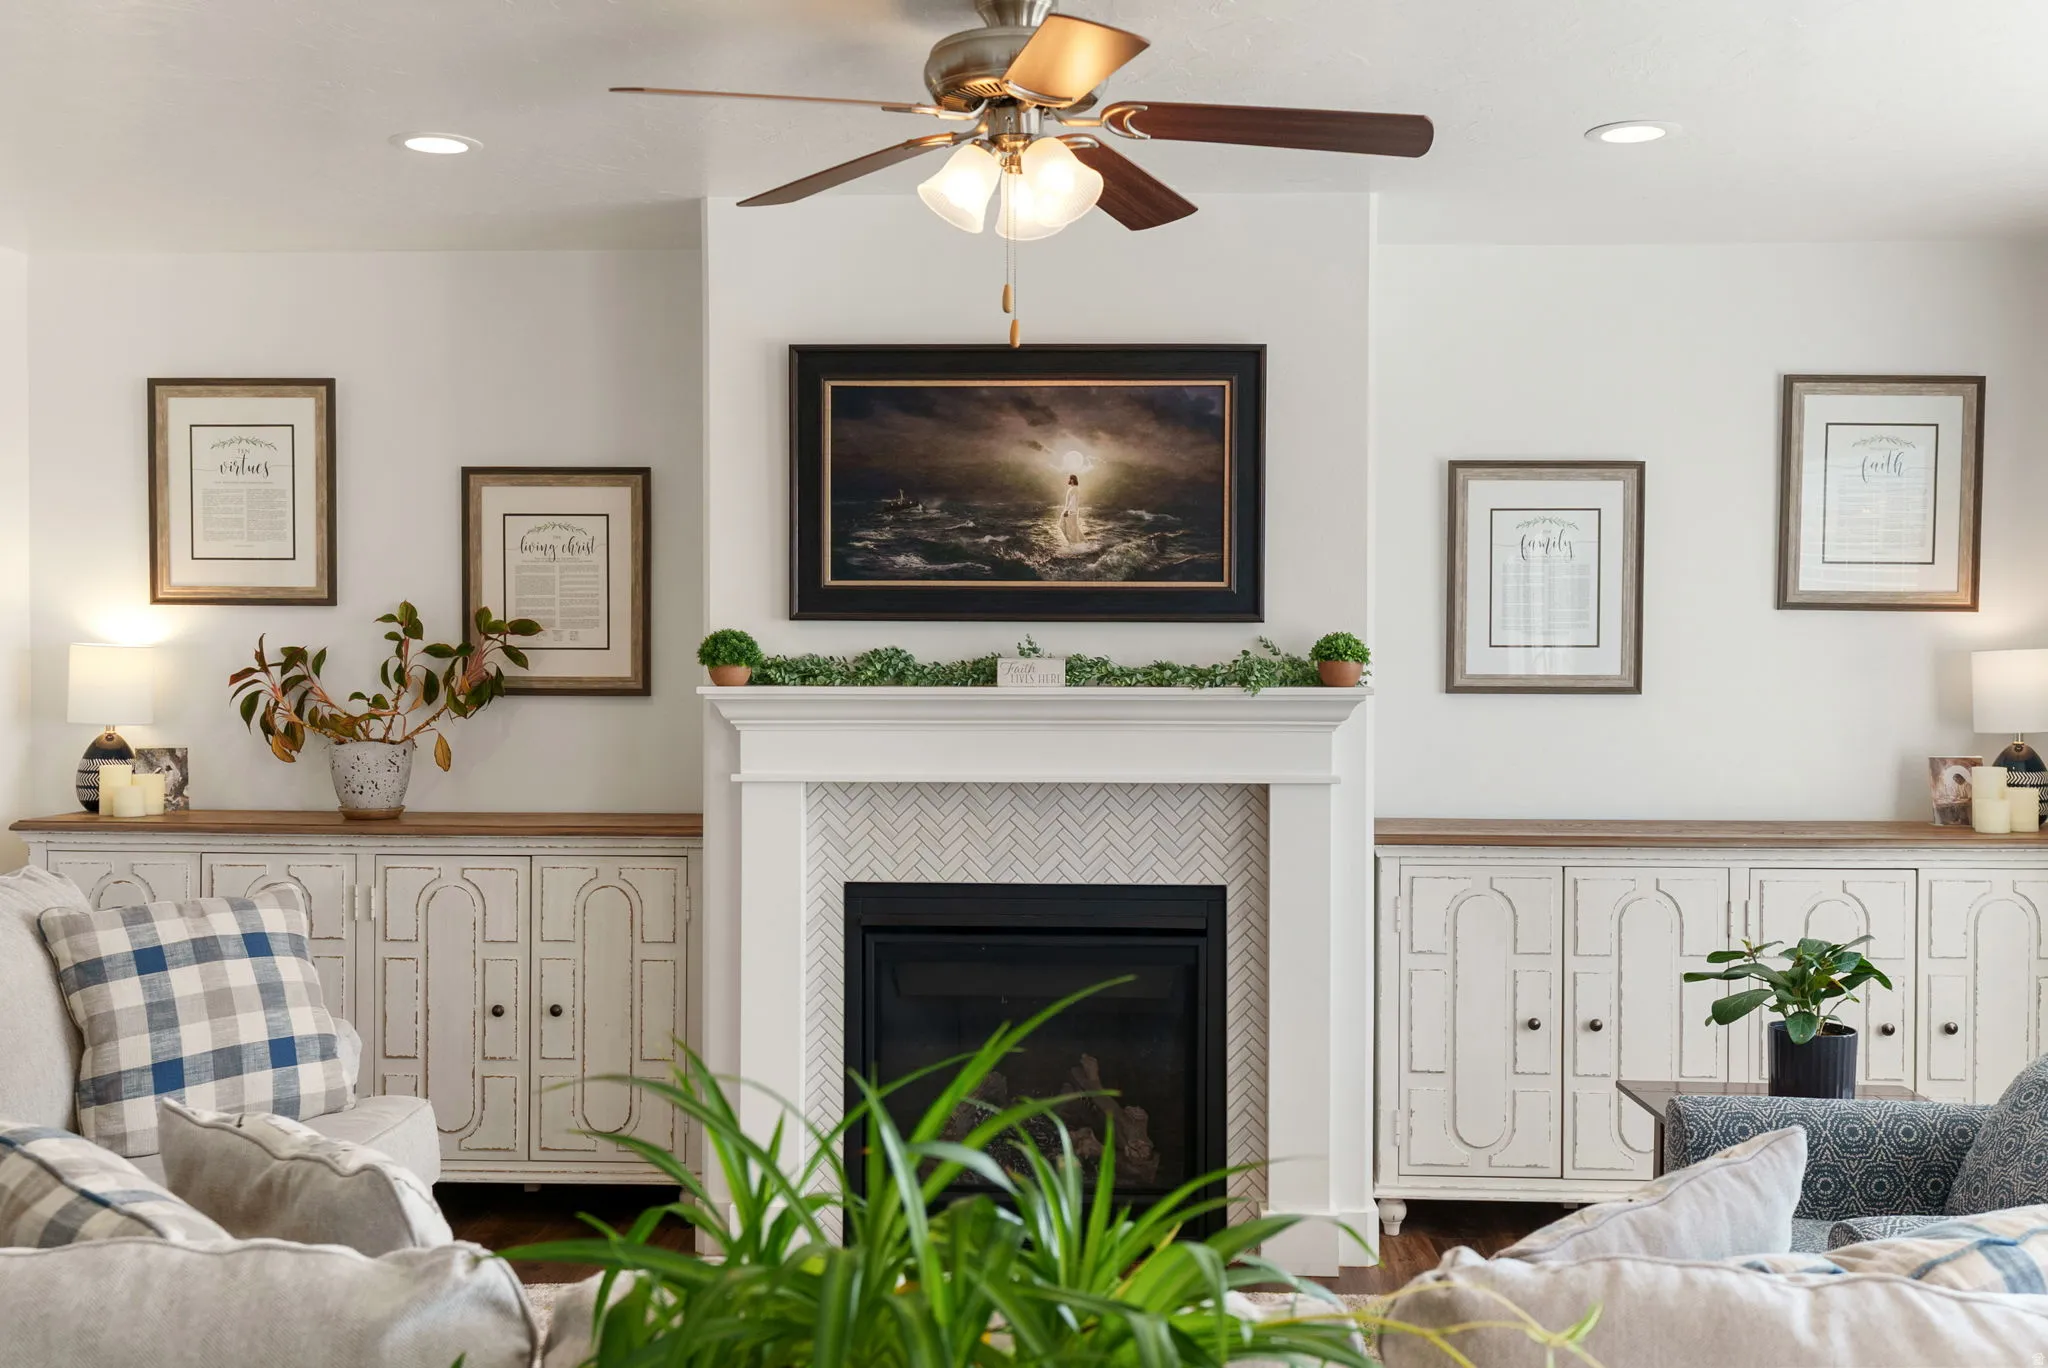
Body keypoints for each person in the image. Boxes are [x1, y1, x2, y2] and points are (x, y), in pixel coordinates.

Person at [1059, 473, 1082, 545]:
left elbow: (1072, 501)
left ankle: (1073, 543)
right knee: (1073, 527)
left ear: (1072, 480)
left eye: (1070, 478)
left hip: (1071, 511)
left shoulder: (1074, 489)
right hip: (1072, 511)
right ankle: (1081, 541)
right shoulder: (1075, 489)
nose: (1069, 480)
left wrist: (1066, 511)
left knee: (1064, 526)